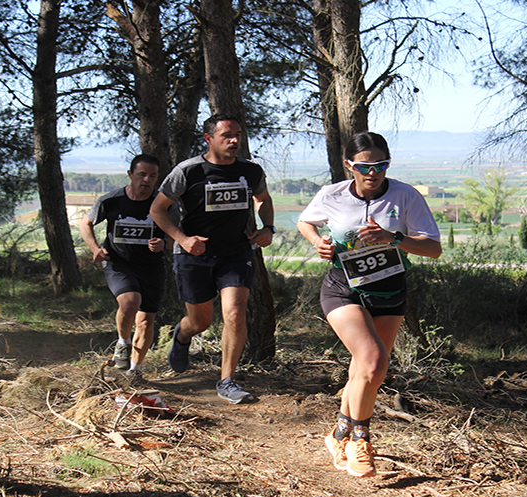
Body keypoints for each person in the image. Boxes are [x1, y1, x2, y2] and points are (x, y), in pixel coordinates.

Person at [297, 132, 442, 477]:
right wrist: (318, 241)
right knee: (375, 361)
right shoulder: (331, 194)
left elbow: (433, 248)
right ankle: (361, 439)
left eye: (380, 165)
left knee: (366, 372)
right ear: (350, 165)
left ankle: (338, 435)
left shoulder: (406, 195)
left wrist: (394, 238)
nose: (373, 172)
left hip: (389, 290)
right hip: (342, 289)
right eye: (364, 166)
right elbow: (306, 221)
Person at [149, 114, 275, 404]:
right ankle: (182, 335)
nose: (234, 141)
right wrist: (182, 239)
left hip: (235, 252)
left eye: (238, 135)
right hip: (194, 255)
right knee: (201, 321)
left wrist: (267, 228)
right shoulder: (188, 171)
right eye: (226, 136)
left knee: (234, 312)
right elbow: (158, 209)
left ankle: (227, 380)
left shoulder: (251, 171)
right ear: (208, 139)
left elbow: (264, 200)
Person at [79, 154, 166, 378]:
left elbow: (178, 233)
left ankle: (135, 371)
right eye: (141, 174)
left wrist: (165, 242)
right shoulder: (111, 200)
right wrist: (95, 248)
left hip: (151, 267)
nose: (147, 179)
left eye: (152, 176)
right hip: (118, 263)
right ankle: (122, 342)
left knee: (146, 322)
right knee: (130, 302)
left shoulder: (162, 203)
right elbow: (85, 223)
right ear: (130, 175)